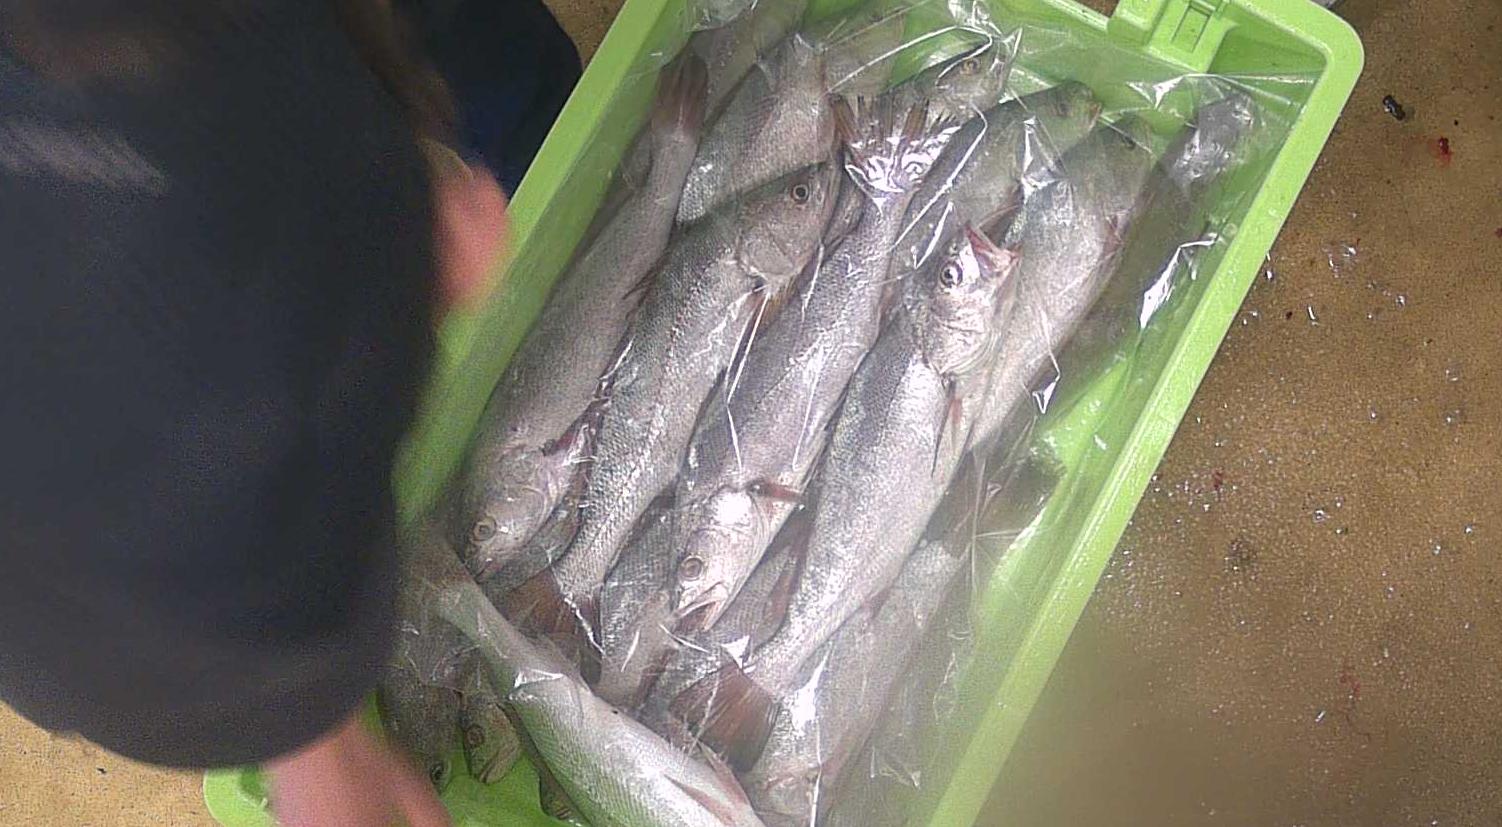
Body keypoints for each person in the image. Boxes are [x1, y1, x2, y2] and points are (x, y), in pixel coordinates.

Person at [0, 1, 577, 825]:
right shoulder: (319, 193)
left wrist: (311, 740)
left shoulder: (325, 187)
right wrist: (310, 742)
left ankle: (538, 127)